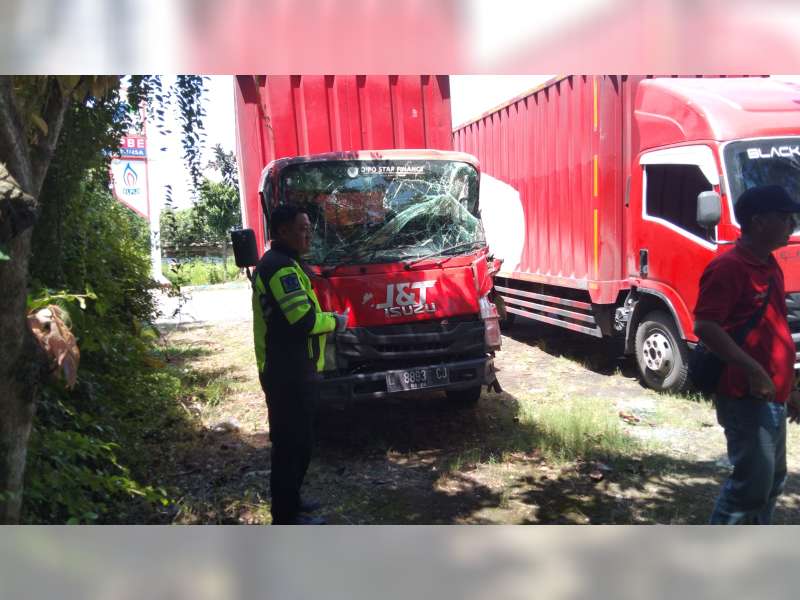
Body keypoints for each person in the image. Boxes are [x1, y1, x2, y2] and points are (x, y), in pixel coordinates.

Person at [694, 185, 800, 524]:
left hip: (772, 395)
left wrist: (790, 387)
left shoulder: (769, 264)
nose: (792, 224)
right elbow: (706, 326)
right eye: (785, 217)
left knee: (771, 482)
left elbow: (775, 330)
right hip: (745, 395)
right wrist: (754, 370)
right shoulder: (729, 267)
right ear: (758, 221)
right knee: (749, 490)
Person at [251, 204, 348, 525]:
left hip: (295, 370)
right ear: (282, 231)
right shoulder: (280, 268)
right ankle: (286, 516)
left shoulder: (286, 263)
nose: (309, 235)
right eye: (302, 229)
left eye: (309, 228)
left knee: (300, 443)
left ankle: (292, 501)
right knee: (290, 446)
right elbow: (302, 321)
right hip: (286, 373)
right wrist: (335, 321)